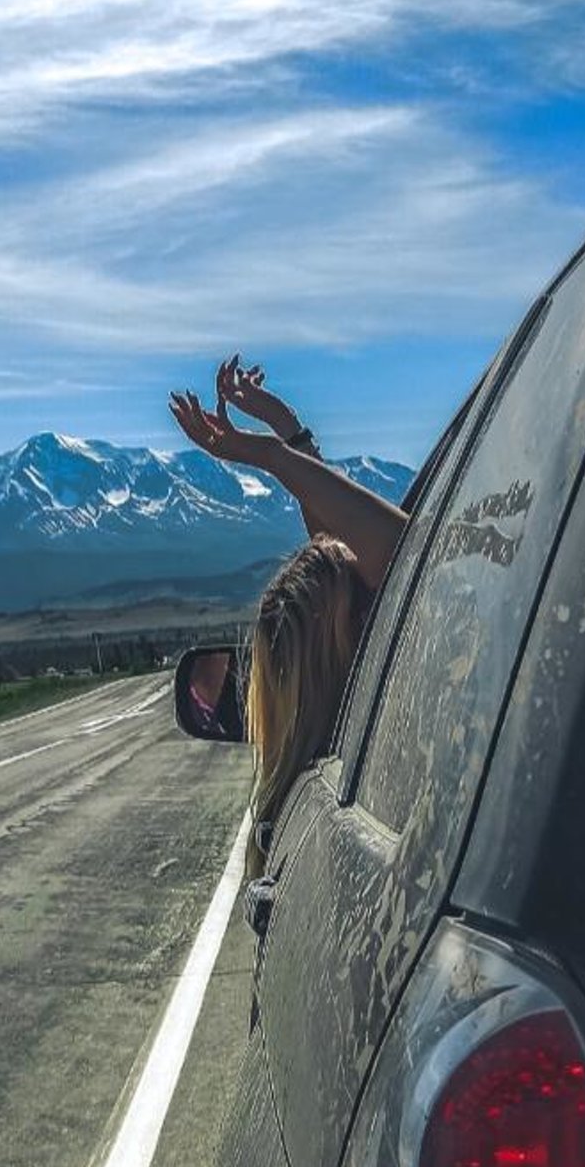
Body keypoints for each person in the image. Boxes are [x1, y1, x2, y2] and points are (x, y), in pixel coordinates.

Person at [170, 357, 407, 873]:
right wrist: (273, 455)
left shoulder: (302, 802)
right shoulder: (401, 721)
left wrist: (289, 437)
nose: (382, 585)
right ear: (357, 634)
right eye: (371, 589)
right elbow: (413, 559)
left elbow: (353, 550)